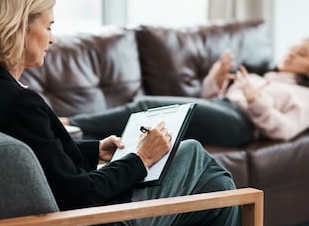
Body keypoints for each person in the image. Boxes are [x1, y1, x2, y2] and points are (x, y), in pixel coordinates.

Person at [0, 0, 241, 226]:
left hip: (59, 220)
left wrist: (95, 150)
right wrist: (141, 159)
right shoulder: (19, 103)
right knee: (192, 154)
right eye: (48, 26)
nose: (52, 39)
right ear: (18, 27)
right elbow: (79, 194)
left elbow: (38, 159)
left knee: (218, 188)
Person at [61, 39, 309, 146]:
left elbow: (284, 131)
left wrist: (256, 100)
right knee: (147, 122)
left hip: (242, 124)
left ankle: (70, 124)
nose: (292, 52)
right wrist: (217, 78)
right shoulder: (265, 78)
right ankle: (77, 138)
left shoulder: (304, 97)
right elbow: (210, 100)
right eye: (295, 47)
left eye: (302, 53)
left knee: (147, 106)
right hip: (226, 109)